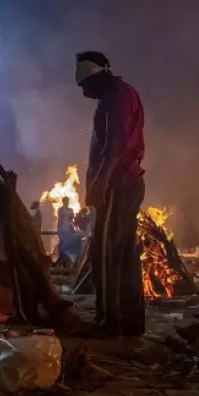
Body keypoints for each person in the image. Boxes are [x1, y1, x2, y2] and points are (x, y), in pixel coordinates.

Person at [76, 51, 146, 337]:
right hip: (127, 185)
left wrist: (101, 182)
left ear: (97, 77)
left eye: (84, 84)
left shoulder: (114, 98)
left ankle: (110, 323)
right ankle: (131, 322)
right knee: (125, 254)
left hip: (118, 187)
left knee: (105, 252)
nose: (82, 91)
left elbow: (116, 144)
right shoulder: (123, 93)